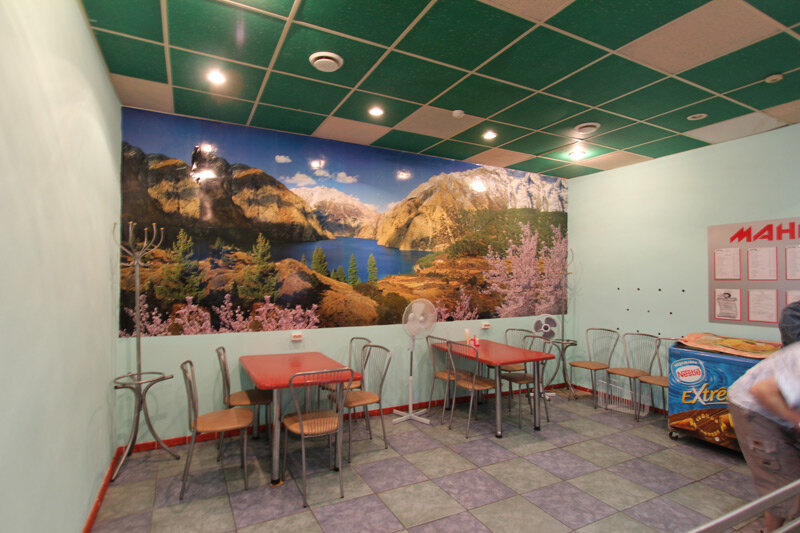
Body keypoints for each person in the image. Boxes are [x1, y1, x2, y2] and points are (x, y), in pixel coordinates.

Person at [728, 301, 800, 531]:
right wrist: (797, 421)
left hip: (780, 405)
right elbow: (762, 391)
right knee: (782, 479)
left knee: (786, 475)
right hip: (754, 409)